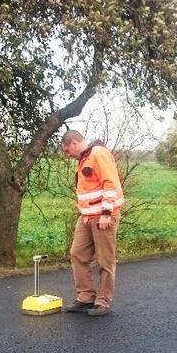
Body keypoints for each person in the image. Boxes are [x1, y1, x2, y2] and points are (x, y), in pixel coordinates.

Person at [60, 130, 124, 317]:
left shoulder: (98, 153)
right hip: (86, 217)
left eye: (66, 150)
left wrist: (106, 213)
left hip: (102, 217)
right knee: (77, 254)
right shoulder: (85, 158)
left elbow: (110, 183)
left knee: (105, 259)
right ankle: (86, 297)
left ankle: (102, 301)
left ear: (73, 142)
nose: (67, 155)